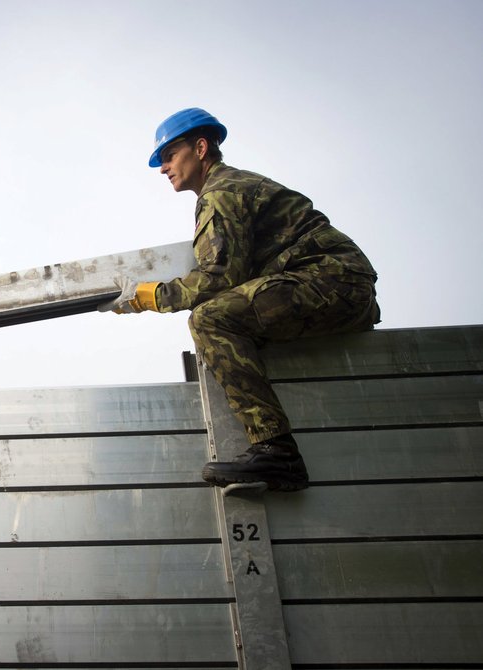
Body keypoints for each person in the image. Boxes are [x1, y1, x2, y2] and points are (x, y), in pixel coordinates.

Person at [100, 108, 379, 492]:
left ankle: (277, 452)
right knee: (230, 317)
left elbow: (218, 278)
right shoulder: (227, 189)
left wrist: (152, 296)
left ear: (200, 148)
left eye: (169, 155)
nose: (163, 168)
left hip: (329, 281)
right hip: (336, 285)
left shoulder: (222, 192)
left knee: (210, 319)